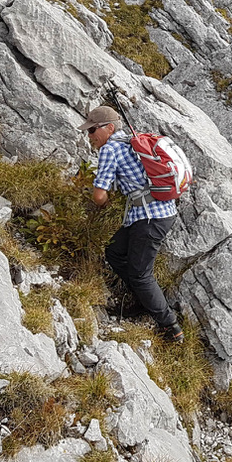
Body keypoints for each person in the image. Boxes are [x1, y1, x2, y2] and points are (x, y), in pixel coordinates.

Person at [82, 105, 183, 341]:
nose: (89, 136)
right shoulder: (133, 141)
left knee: (140, 274)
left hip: (149, 218)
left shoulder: (111, 149)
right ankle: (144, 300)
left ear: (109, 128)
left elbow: (99, 195)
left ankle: (170, 326)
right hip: (159, 213)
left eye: (92, 130)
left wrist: (101, 202)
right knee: (115, 252)